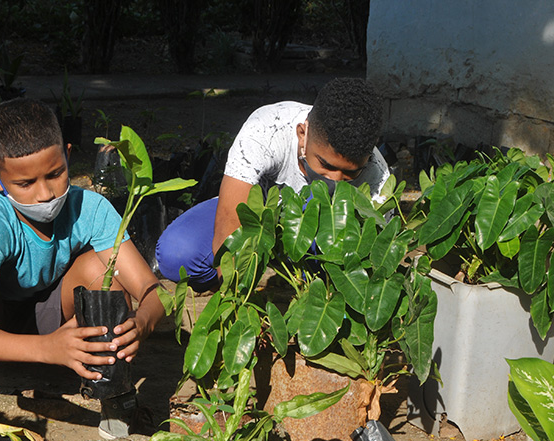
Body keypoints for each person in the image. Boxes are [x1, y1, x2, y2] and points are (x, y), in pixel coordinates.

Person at [0, 98, 164, 438]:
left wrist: (142, 322)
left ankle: (114, 391)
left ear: (67, 154)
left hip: (49, 312)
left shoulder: (91, 208)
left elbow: (153, 291)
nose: (45, 193)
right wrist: (49, 348)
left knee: (101, 269)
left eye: (55, 174)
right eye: (25, 183)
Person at [155, 77, 390, 291]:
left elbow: (372, 261)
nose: (335, 179)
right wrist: (236, 294)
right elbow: (230, 221)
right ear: (302, 134)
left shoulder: (377, 174)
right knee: (176, 254)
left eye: (350, 172)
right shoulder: (267, 129)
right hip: (256, 215)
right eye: (326, 165)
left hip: (321, 234)